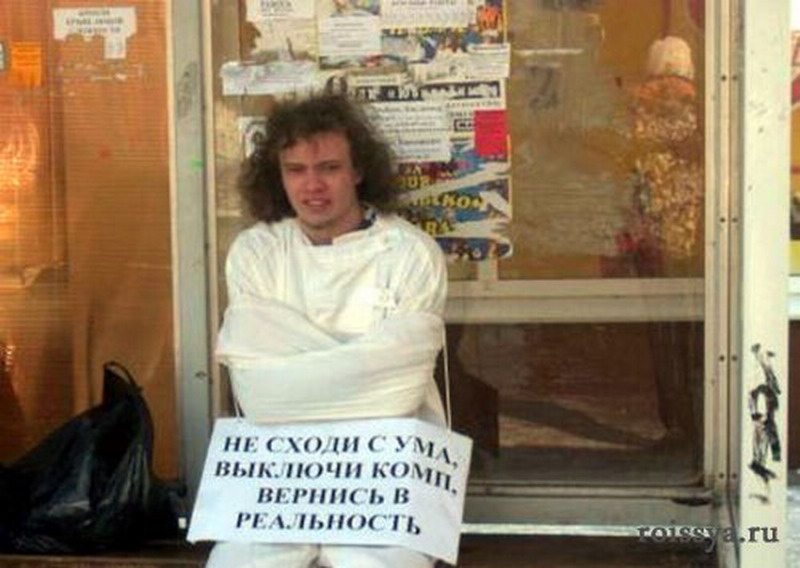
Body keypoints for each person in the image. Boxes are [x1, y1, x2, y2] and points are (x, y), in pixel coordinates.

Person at [207, 93, 447, 568]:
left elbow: (400, 392)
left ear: (358, 171)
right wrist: (365, 367)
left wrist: (295, 373)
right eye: (295, 170)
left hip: (388, 472)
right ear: (278, 176)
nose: (312, 185)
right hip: (275, 473)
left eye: (329, 168)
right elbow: (258, 394)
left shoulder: (411, 254)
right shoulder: (255, 253)